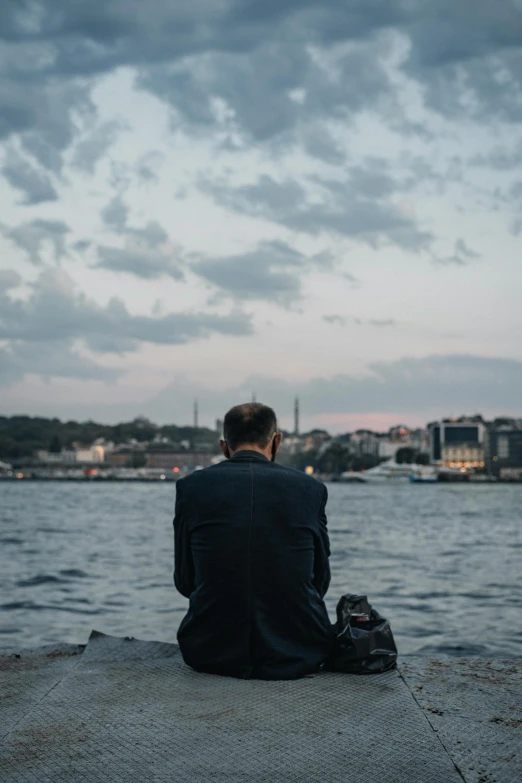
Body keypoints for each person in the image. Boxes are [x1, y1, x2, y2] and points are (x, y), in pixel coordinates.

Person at [173, 402, 334, 680]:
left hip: (209, 650)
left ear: (224, 446)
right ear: (277, 441)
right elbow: (320, 581)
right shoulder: (311, 489)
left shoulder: (190, 488)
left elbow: (186, 581)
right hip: (299, 651)